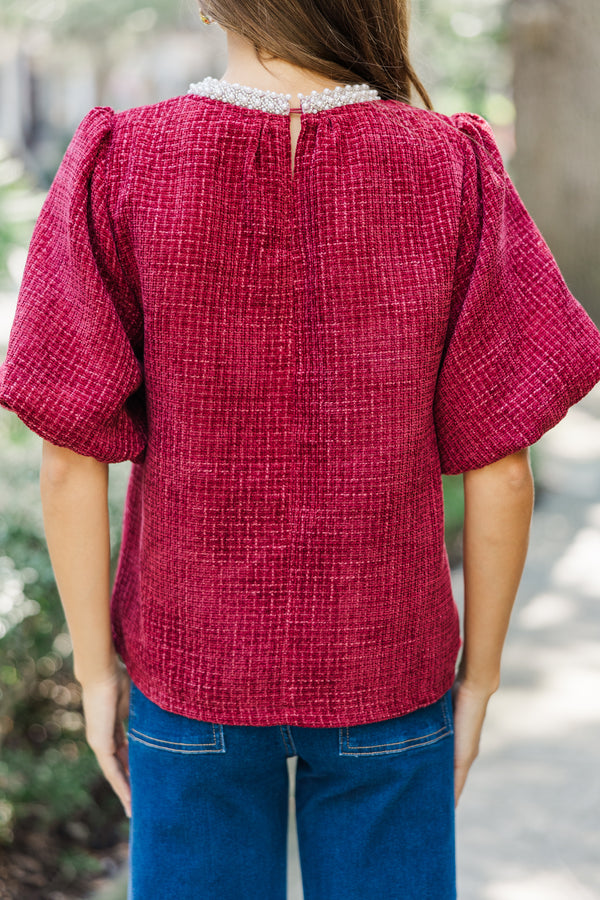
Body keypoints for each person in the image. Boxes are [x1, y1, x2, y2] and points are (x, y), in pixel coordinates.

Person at [1, 1, 600, 897]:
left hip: (190, 667)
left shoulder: (123, 163)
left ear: (209, 3)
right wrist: (478, 682)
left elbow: (67, 452)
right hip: (389, 668)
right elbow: (502, 464)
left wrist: (94, 673)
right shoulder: (452, 168)